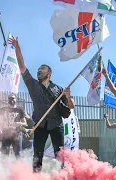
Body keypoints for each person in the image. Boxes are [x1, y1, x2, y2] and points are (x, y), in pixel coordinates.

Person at [8, 37, 75, 172]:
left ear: (49, 73)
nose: (39, 70)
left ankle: (62, 176)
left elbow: (71, 106)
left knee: (60, 154)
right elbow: (21, 65)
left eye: (42, 69)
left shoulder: (58, 89)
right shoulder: (32, 85)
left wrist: (68, 97)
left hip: (56, 125)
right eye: (38, 69)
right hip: (40, 124)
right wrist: (17, 47)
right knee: (37, 155)